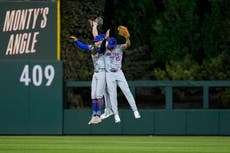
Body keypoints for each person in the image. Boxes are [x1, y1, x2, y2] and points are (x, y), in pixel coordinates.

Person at [101, 28, 141, 123]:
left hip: (119, 73)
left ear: (115, 44)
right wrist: (105, 38)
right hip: (109, 74)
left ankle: (135, 110)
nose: (110, 47)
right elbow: (102, 47)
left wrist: (127, 38)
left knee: (127, 91)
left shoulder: (119, 47)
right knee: (113, 95)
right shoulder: (105, 48)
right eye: (109, 45)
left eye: (111, 45)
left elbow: (128, 44)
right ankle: (116, 115)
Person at [70, 34, 106, 125]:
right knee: (93, 95)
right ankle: (94, 115)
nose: (95, 42)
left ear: (102, 41)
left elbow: (99, 49)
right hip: (96, 73)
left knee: (98, 95)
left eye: (97, 41)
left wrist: (103, 40)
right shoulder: (92, 47)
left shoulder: (104, 48)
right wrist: (76, 41)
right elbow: (84, 46)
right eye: (95, 41)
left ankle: (99, 115)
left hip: (103, 72)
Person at [88, 17, 114, 120]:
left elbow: (101, 44)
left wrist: (95, 25)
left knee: (105, 92)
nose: (97, 39)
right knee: (102, 93)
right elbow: (96, 36)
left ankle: (107, 111)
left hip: (108, 70)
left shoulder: (105, 45)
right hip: (100, 71)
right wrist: (94, 25)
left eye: (100, 39)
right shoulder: (98, 44)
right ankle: (102, 112)